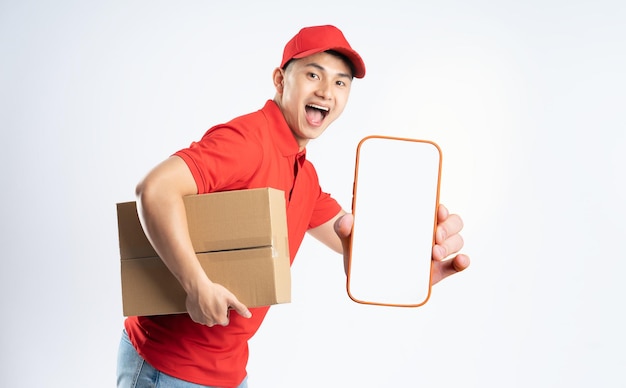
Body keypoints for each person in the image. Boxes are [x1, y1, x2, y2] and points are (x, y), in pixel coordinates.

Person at [116, 24, 470, 388]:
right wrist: (197, 286)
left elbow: (362, 245)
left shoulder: (304, 174)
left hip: (229, 371)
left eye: (340, 82)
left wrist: (413, 262)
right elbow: (155, 189)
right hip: (168, 367)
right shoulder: (247, 141)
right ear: (280, 80)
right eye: (313, 74)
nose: (325, 91)